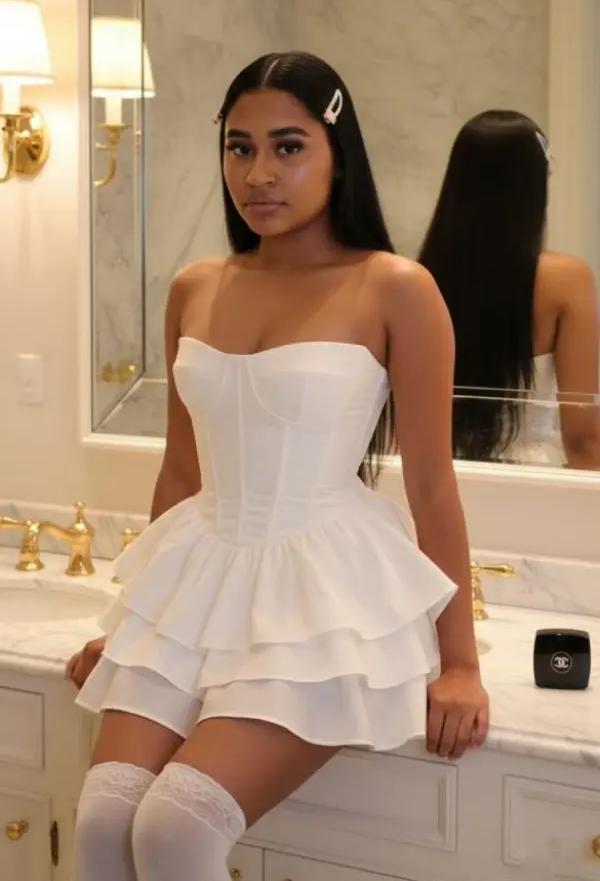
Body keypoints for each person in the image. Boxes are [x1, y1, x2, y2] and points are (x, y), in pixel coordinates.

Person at [67, 51, 488, 881]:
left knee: (175, 830)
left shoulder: (395, 288)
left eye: (288, 147)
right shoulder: (195, 285)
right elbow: (181, 473)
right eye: (239, 146)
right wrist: (134, 626)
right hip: (198, 579)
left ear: (338, 155)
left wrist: (462, 665)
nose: (258, 173)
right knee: (103, 822)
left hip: (325, 592)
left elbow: (433, 486)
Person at [419, 109, 600, 469]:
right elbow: (584, 437)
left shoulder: (421, 277)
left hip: (439, 473)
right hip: (531, 481)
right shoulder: (566, 279)